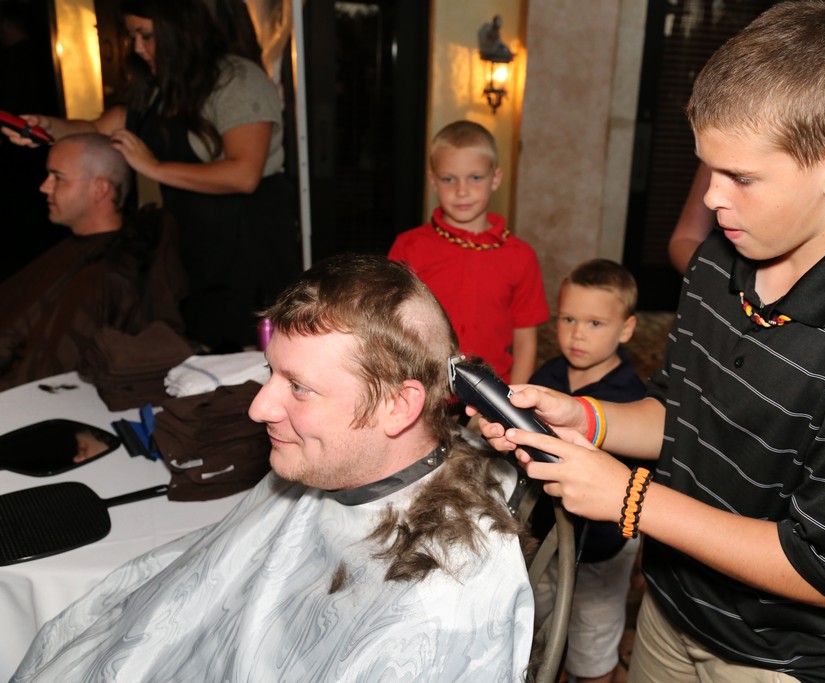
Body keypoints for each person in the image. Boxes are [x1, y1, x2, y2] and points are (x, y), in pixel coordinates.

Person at [477, 2, 825, 680]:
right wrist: (588, 418)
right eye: (708, 171)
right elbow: (680, 413)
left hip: (782, 661)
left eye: (741, 178)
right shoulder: (718, 261)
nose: (711, 200)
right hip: (670, 611)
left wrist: (630, 500)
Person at [12, 254, 534, 682]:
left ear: (398, 406)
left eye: (299, 387)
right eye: (272, 373)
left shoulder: (438, 611)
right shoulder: (334, 462)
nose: (259, 408)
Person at [2, 0, 299, 351]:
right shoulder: (160, 90)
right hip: (195, 241)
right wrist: (45, 127)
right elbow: (95, 129)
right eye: (133, 36)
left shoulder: (238, 80)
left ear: (180, 32)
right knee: (202, 344)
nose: (138, 48)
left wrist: (152, 167)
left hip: (248, 241)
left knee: (255, 350)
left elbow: (244, 174)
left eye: (146, 36)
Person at [530, 258, 646, 683]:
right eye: (568, 319)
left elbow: (649, 485)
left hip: (603, 549)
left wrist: (643, 556)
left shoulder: (634, 400)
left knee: (592, 649)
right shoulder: (547, 376)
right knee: (542, 637)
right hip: (543, 535)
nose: (578, 334)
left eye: (595, 323)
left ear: (626, 329)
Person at [0, 132, 186, 390]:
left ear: (100, 189)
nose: (44, 187)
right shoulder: (72, 253)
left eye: (57, 177)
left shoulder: (114, 274)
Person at [388, 120, 549, 385]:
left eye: (475, 178)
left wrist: (512, 400)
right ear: (433, 181)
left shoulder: (521, 256)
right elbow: (390, 326)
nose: (461, 191)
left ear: (495, 178)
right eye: (449, 179)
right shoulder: (409, 246)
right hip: (423, 387)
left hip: (492, 388)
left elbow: (525, 343)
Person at [670, 140, 825, 274]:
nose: (712, 198)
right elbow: (684, 239)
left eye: (742, 178)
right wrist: (729, 288)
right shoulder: (728, 139)